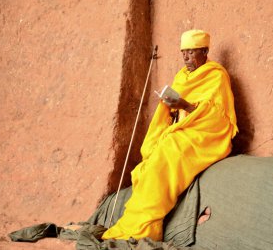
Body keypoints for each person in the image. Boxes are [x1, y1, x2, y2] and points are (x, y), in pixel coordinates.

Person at [101, 29, 238, 241]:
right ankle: (133, 223)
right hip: (179, 129)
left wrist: (184, 105)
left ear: (204, 51)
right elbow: (172, 113)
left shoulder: (216, 76)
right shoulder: (181, 76)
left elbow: (219, 118)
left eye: (191, 53)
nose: (186, 58)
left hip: (203, 135)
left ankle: (146, 227)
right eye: (183, 53)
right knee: (152, 157)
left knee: (169, 149)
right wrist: (171, 107)